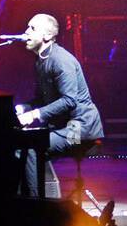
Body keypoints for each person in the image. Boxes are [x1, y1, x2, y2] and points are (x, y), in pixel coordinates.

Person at [16, 13, 104, 199]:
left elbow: (69, 101)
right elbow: (43, 99)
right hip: (65, 125)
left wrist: (33, 115)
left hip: (79, 127)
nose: (26, 32)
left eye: (32, 28)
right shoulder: (41, 60)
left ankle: (34, 208)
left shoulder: (61, 61)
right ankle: (26, 198)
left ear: (47, 35)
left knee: (32, 148)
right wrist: (24, 108)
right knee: (20, 146)